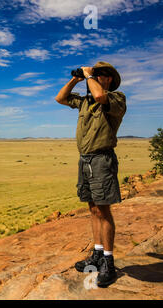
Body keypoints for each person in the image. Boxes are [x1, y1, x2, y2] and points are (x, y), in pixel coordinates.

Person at [55, 61, 126, 287]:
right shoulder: (85, 101)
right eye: (96, 73)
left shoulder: (116, 99)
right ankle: (96, 254)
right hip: (85, 160)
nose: (98, 76)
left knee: (104, 211)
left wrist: (89, 77)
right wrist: (76, 79)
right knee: (93, 208)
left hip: (102, 160)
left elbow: (99, 96)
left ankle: (108, 262)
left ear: (110, 80)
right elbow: (60, 98)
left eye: (103, 74)